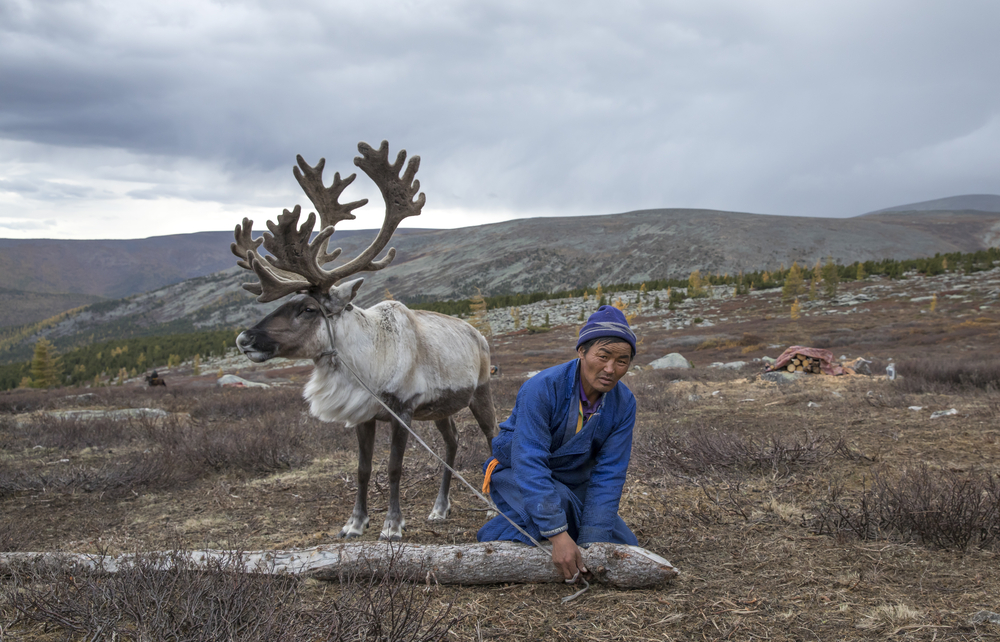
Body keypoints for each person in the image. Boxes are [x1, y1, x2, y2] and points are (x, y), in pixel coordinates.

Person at [477, 305, 638, 580]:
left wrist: (593, 545)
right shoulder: (542, 387)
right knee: (559, 506)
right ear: (581, 352)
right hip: (517, 473)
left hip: (572, 478)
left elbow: (609, 474)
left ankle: (553, 526)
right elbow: (528, 459)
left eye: (621, 361)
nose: (610, 369)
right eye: (603, 356)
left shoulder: (624, 403)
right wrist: (558, 535)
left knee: (624, 544)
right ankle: (491, 536)